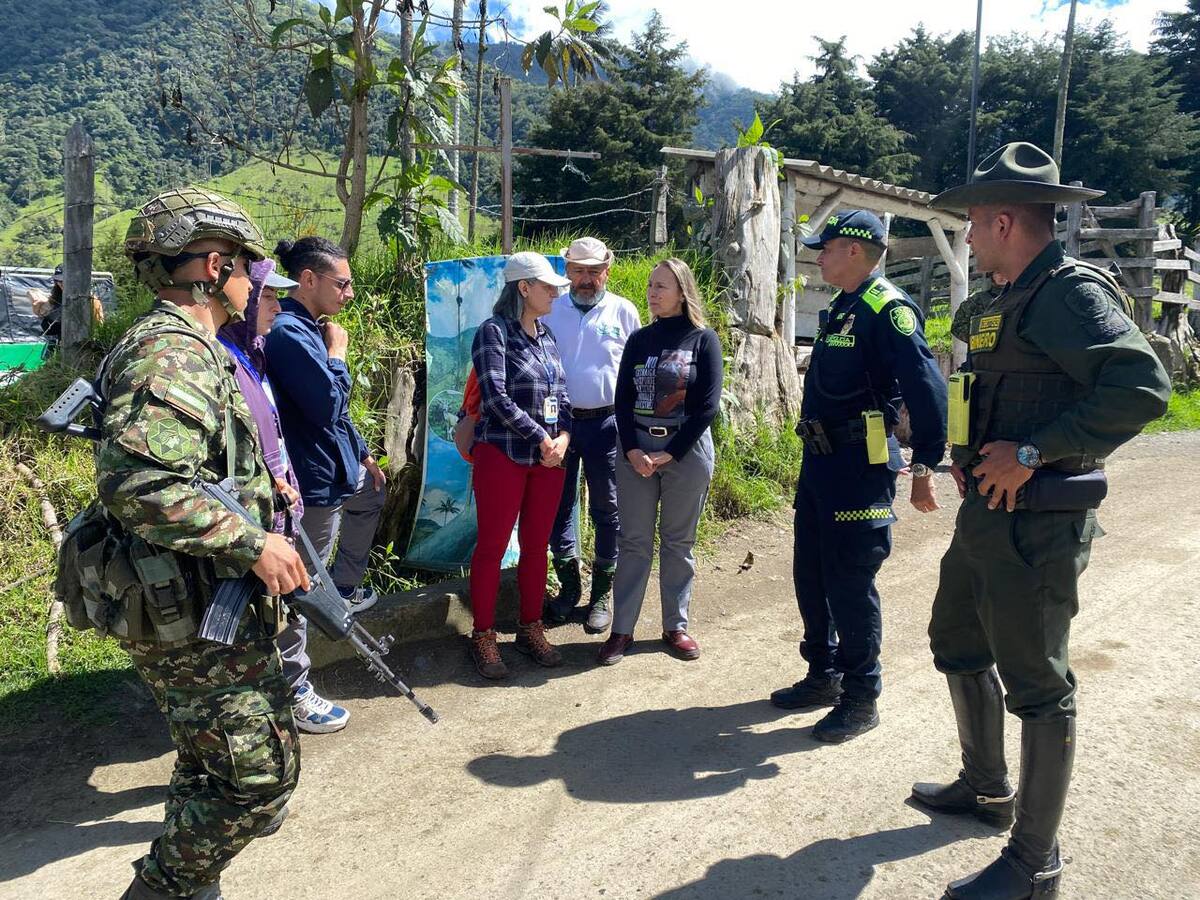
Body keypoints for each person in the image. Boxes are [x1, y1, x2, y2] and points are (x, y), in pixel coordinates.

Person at [915, 142, 1170, 900]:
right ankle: (987, 789)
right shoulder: (997, 298)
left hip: (1039, 524)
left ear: (1003, 220)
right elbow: (977, 380)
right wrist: (960, 450)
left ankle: (1035, 864)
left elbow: (1141, 387)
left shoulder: (1067, 293)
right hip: (986, 516)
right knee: (955, 640)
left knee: (1037, 681)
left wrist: (1031, 450)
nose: (965, 236)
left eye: (971, 224)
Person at [100, 187, 309, 899]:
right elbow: (138, 484)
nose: (256, 284)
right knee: (258, 781)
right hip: (188, 612)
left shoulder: (197, 347)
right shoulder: (171, 353)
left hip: (199, 603)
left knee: (208, 766)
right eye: (250, 267)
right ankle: (163, 889)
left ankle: (193, 885)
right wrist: (253, 545)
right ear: (215, 266)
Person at [769, 209, 948, 743]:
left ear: (854, 249)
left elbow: (926, 387)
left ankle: (861, 696)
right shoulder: (844, 307)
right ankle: (822, 674)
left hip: (861, 466)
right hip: (821, 463)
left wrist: (926, 464)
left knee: (850, 581)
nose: (818, 255)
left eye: (826, 247)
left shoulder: (886, 307)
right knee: (812, 572)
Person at [264, 236, 386, 734]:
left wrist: (362, 451)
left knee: (373, 494)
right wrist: (337, 353)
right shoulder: (291, 335)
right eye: (343, 283)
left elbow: (337, 420)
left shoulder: (309, 328)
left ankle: (345, 588)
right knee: (300, 586)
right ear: (308, 280)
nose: (350, 293)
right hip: (311, 480)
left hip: (337, 465)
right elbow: (325, 406)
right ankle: (294, 689)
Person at [596, 257, 723, 666]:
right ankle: (622, 630)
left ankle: (675, 627)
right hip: (636, 450)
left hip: (685, 451)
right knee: (633, 542)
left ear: (682, 292)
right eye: (650, 286)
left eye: (661, 287)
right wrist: (633, 449)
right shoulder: (639, 340)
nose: (652, 293)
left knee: (678, 542)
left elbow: (707, 407)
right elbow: (623, 399)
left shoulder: (703, 340)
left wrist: (670, 452)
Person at [467, 251, 573, 679]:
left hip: (548, 459)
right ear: (523, 288)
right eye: (547, 285)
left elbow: (562, 397)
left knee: (537, 546)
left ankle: (531, 627)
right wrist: (543, 438)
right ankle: (484, 635)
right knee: (492, 547)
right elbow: (495, 395)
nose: (554, 292)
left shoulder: (548, 336)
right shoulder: (493, 332)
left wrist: (563, 437)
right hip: (503, 454)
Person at [542, 237, 641, 632]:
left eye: (593, 271)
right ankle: (569, 590)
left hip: (607, 423)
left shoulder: (624, 311)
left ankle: (601, 595)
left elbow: (637, 372)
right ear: (566, 271)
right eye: (578, 270)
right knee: (557, 506)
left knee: (608, 509)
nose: (586, 279)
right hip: (559, 424)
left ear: (607, 271)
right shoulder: (550, 309)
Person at [218, 259, 304, 534]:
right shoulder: (223, 357)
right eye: (267, 297)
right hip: (249, 517)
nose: (277, 308)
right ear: (245, 296)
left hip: (275, 499)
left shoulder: (253, 353)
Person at [951, 271, 1007, 344]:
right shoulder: (976, 300)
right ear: (991, 275)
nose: (1002, 276)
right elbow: (957, 327)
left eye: (1006, 271)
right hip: (984, 351)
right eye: (998, 273)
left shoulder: (1020, 299)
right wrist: (981, 337)